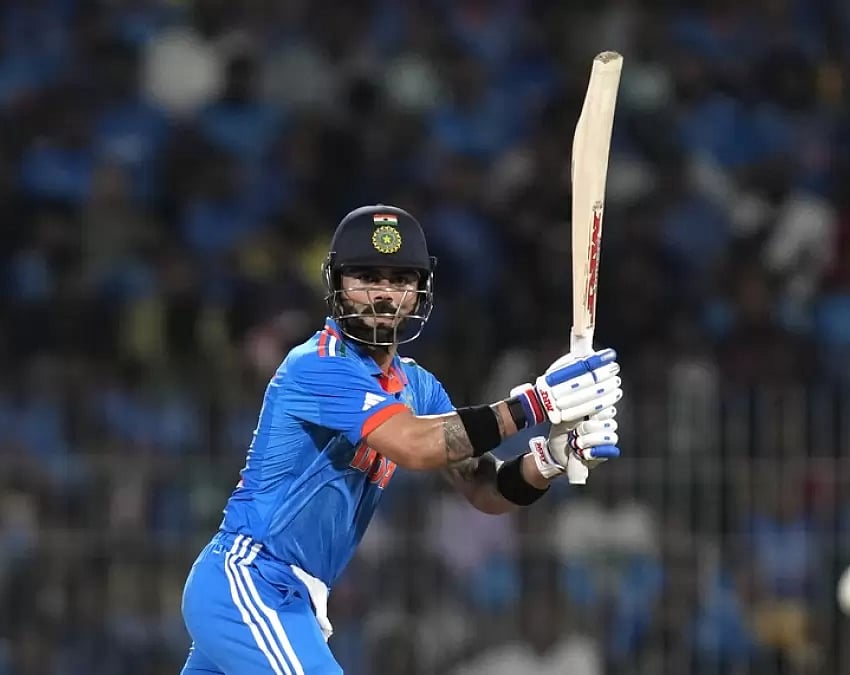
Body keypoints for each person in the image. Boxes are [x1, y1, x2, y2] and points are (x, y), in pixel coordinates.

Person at [179, 205, 625, 675]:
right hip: (251, 580)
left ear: (420, 291)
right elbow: (416, 446)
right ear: (336, 284)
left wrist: (551, 458)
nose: (384, 295)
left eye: (400, 279)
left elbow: (484, 489)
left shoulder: (419, 386)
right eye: (367, 277)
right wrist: (537, 405)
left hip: (291, 596)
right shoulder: (317, 365)